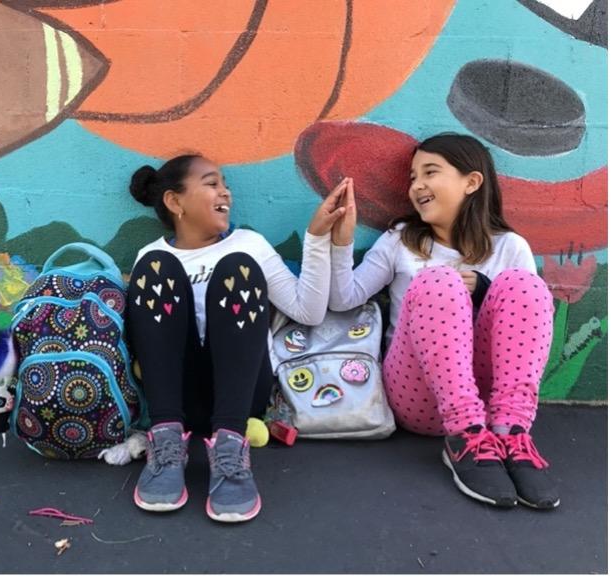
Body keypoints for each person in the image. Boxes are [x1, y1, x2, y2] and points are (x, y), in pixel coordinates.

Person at [328, 133, 559, 509]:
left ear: (471, 182)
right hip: (419, 399)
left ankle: (511, 435)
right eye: (413, 176)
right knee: (439, 281)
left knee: (525, 285)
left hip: (488, 401)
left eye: (430, 172)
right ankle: (464, 438)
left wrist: (485, 291)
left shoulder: (509, 246)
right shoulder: (401, 240)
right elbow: (344, 299)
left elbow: (525, 329)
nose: (417, 185)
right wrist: (340, 243)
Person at [125, 154, 347, 522]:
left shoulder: (249, 244)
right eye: (212, 183)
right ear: (174, 201)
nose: (225, 191)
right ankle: (164, 444)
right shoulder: (151, 256)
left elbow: (308, 311)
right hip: (177, 398)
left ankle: (230, 449)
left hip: (241, 396)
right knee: (156, 270)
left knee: (237, 269)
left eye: (225, 184)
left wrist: (317, 238)